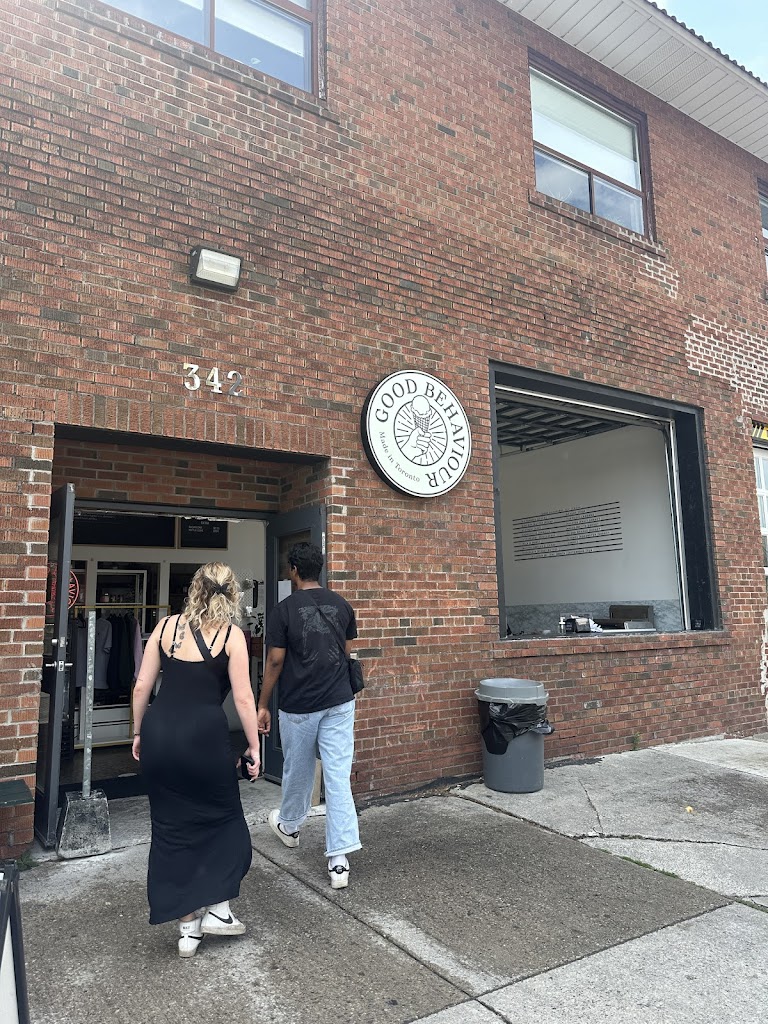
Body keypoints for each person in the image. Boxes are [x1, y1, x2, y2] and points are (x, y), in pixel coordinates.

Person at [132, 562, 260, 958]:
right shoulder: (232, 636)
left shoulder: (165, 628)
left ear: (194, 589)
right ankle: (219, 910)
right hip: (204, 737)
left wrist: (137, 733)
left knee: (170, 829)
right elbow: (243, 699)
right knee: (225, 822)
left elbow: (141, 685)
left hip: (159, 732)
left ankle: (188, 930)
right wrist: (254, 747)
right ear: (232, 593)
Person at [258, 542, 361, 889]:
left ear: (294, 570)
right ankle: (339, 860)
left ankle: (290, 825)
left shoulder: (283, 610)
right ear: (319, 569)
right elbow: (346, 652)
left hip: (299, 705)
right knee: (337, 776)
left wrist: (262, 704)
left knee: (298, 769)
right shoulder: (342, 604)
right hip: (339, 701)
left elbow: (275, 660)